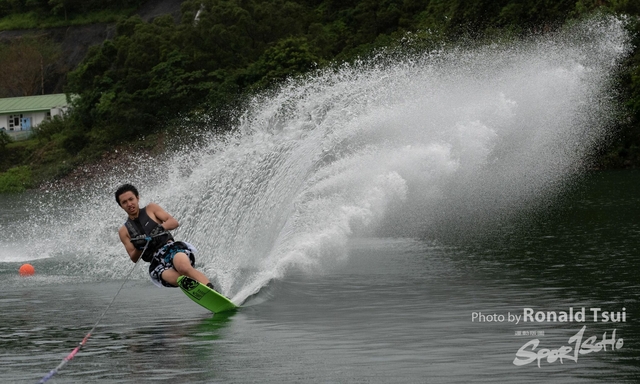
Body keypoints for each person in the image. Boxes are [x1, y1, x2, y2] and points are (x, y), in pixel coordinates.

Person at [115, 183, 215, 290]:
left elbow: (173, 222)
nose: (129, 204)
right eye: (124, 202)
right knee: (179, 279)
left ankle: (212, 289)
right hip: (156, 262)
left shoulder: (151, 209)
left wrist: (160, 228)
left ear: (137, 198)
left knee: (183, 268)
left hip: (171, 249)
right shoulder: (123, 231)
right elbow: (134, 258)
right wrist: (140, 247)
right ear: (121, 206)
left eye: (131, 199)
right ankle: (201, 291)